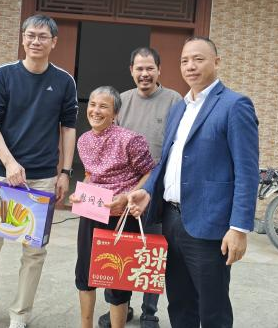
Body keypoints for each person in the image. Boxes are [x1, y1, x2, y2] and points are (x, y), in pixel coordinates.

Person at [128, 37, 259, 328]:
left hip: (209, 226)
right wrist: (147, 191)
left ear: (217, 62)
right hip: (172, 221)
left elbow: (247, 172)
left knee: (213, 310)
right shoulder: (180, 108)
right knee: (180, 305)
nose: (190, 66)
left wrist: (239, 228)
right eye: (185, 61)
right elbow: (167, 161)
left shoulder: (234, 105)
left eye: (198, 59)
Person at [0, 14, 78, 328]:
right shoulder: (4, 75)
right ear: (23, 38)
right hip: (3, 176)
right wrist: (9, 162)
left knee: (34, 253)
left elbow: (68, 127)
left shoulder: (64, 81)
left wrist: (65, 171)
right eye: (30, 35)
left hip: (43, 178)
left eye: (43, 36)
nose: (35, 41)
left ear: (54, 42)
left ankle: (20, 315)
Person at [98, 47, 181, 328]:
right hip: (122, 191)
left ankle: (149, 311)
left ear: (159, 70)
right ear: (131, 70)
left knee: (150, 250)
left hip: (155, 190)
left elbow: (174, 148)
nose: (144, 74)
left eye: (150, 68)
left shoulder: (173, 100)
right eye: (139, 68)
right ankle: (120, 307)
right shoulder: (121, 100)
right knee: (118, 247)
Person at [69, 86, 155, 328]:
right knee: (85, 274)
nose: (96, 111)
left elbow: (150, 172)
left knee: (117, 279)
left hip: (121, 217)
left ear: (115, 113)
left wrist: (127, 196)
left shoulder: (130, 140)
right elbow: (90, 175)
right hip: (91, 212)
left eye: (103, 106)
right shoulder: (84, 140)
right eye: (92, 104)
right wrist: (81, 193)